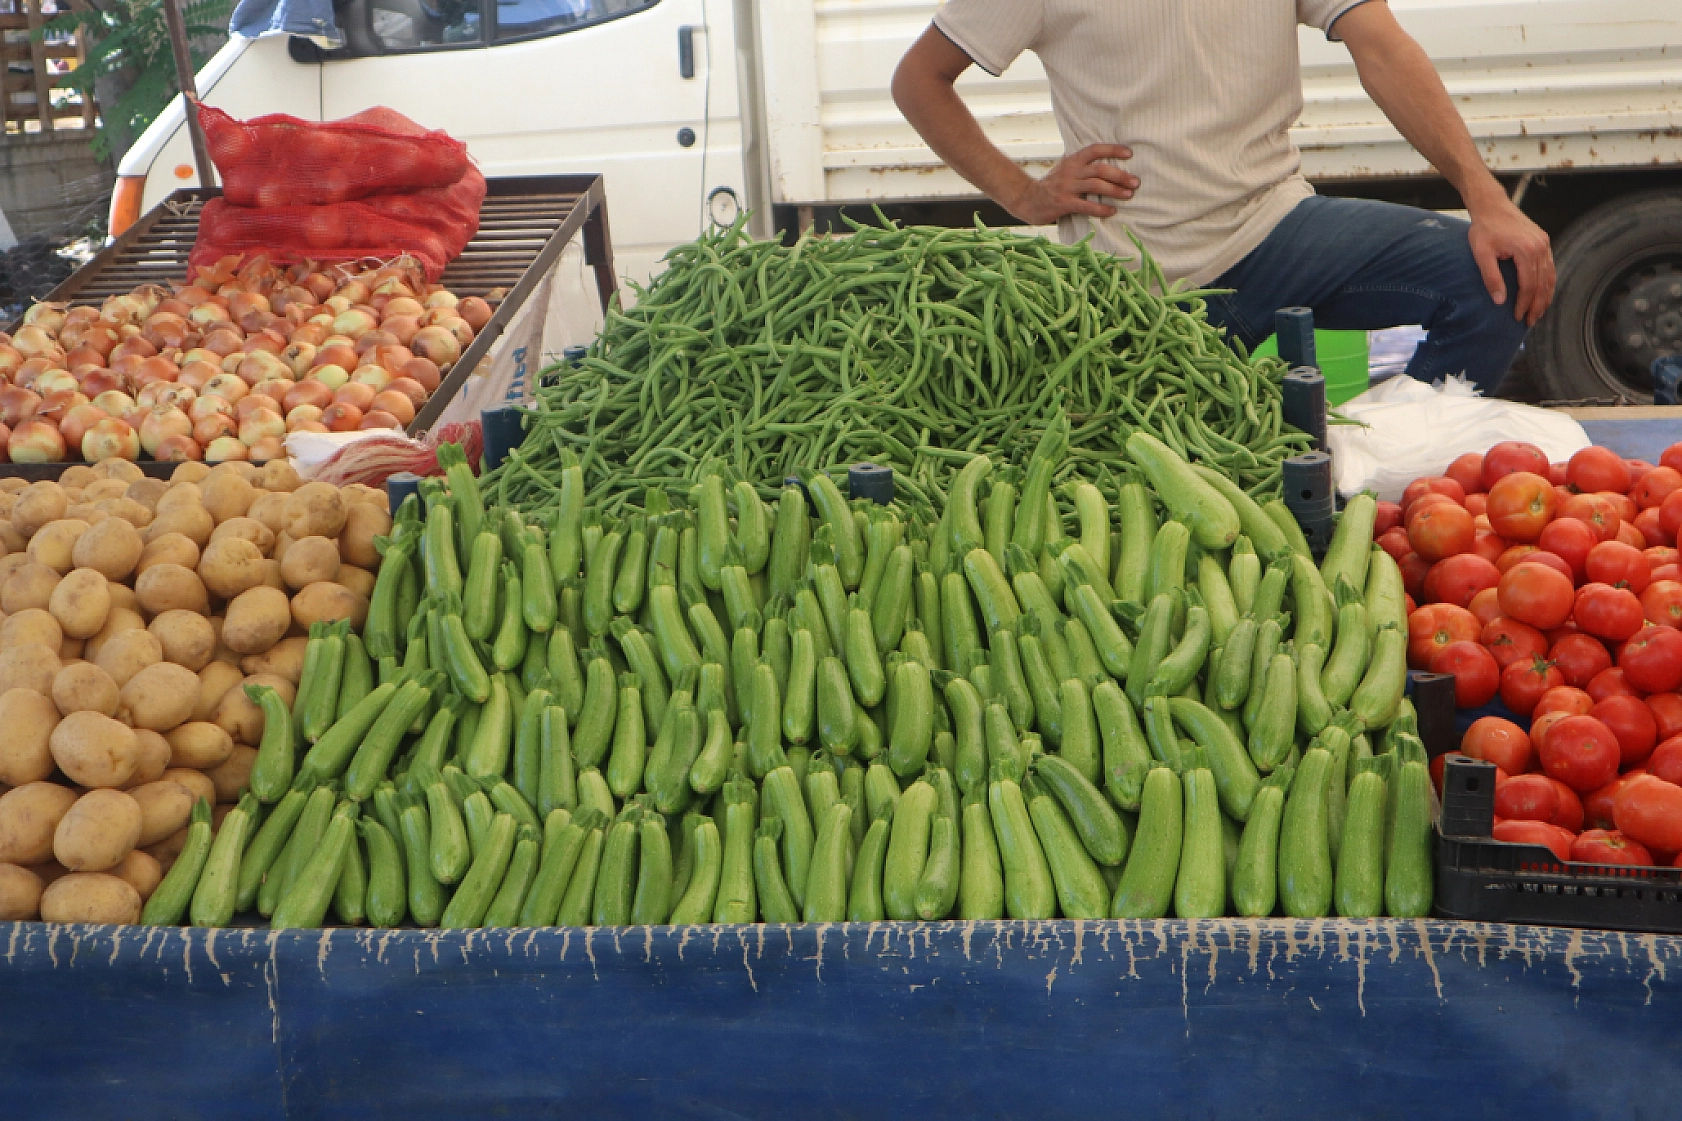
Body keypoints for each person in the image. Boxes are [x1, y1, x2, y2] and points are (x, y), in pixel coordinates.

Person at [891, 0, 1555, 394]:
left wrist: (1485, 198)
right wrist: (1024, 193)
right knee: (1158, 501)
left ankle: (1390, 492)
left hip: (1279, 227)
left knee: (1495, 276)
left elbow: (1381, 45)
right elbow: (920, 79)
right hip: (1137, 279)